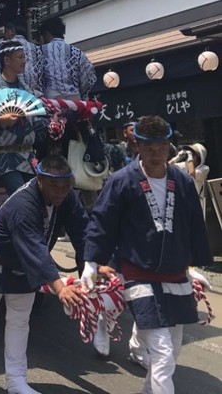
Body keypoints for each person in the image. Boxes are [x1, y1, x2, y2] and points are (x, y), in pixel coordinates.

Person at [81, 115, 212, 394]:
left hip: (176, 273)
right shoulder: (121, 181)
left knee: (173, 352)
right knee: (162, 352)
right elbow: (102, 221)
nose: (155, 155)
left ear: (169, 147)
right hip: (139, 275)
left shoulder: (182, 181)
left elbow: (193, 224)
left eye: (161, 148)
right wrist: (92, 263)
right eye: (149, 148)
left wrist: (193, 264)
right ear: (137, 145)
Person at [0, 155, 87, 394]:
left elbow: (83, 231)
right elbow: (34, 247)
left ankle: (15, 380)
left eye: (65, 186)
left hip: (25, 264)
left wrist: (93, 269)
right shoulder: (23, 204)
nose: (60, 192)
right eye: (54, 186)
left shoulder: (67, 196)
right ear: (39, 180)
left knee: (19, 320)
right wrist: (59, 287)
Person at [0, 40, 50, 195]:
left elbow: (38, 118)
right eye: (20, 57)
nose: (24, 60)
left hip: (29, 155)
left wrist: (49, 124)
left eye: (24, 57)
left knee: (34, 199)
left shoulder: (27, 89)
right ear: (7, 60)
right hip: (5, 155)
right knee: (20, 197)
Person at [38, 16, 96, 99]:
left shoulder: (40, 52)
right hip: (75, 102)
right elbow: (89, 77)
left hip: (50, 103)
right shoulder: (77, 53)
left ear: (46, 34)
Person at [0, 20, 43, 92]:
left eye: (3, 30)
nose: (2, 34)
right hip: (32, 94)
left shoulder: (0, 46)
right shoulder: (36, 48)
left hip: (8, 93)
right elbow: (40, 76)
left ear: (12, 30)